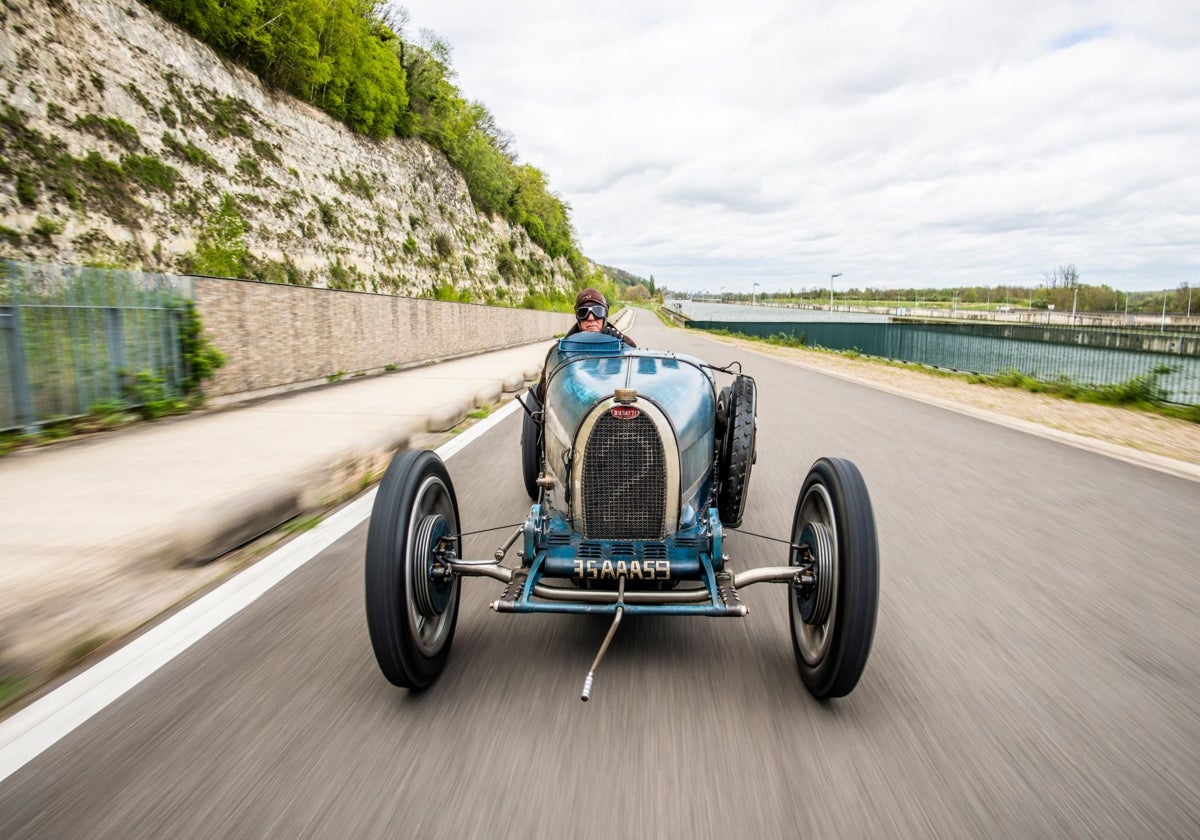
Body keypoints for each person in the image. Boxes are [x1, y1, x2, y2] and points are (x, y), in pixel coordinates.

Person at [533, 288, 636, 404]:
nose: (591, 318)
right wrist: (562, 380)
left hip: (611, 405)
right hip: (575, 408)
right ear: (578, 318)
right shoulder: (559, 351)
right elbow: (542, 394)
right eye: (584, 312)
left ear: (605, 316)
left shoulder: (622, 343)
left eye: (598, 311)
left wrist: (621, 340)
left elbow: (634, 375)